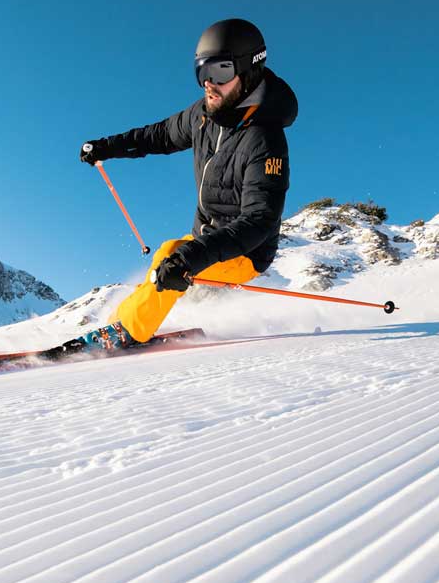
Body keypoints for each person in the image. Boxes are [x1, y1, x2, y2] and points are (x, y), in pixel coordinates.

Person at [70, 18, 298, 353]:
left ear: (249, 72)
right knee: (167, 260)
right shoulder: (203, 115)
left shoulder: (265, 139)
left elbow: (259, 221)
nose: (209, 84)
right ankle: (122, 326)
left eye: (220, 72)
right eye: (202, 73)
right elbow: (158, 135)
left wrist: (191, 257)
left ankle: (129, 331)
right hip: (205, 242)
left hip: (245, 253)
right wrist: (107, 146)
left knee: (170, 254)